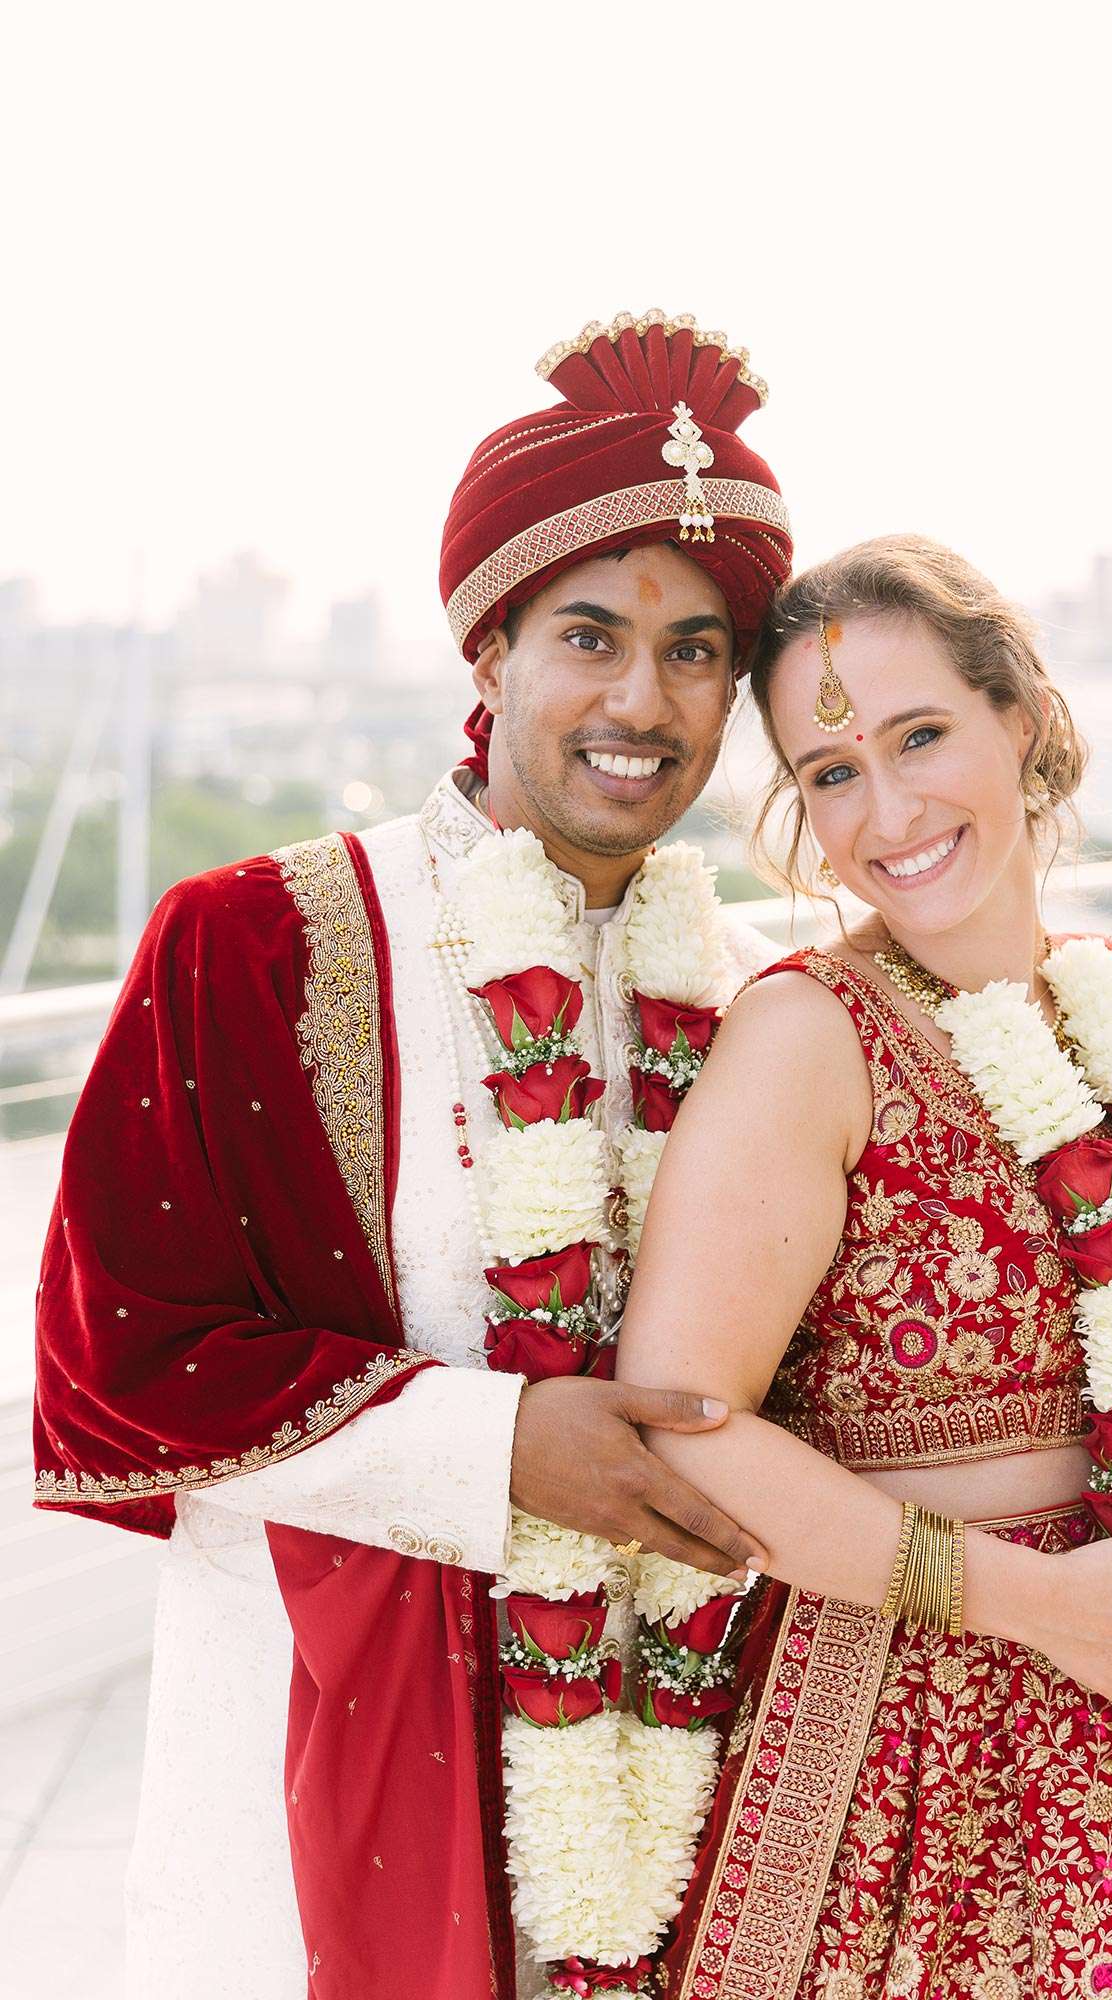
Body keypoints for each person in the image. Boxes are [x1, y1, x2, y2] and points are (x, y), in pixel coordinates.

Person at [31, 311, 792, 2000]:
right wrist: (500, 1443)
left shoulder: (755, 996)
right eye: (588, 634)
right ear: (489, 651)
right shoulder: (265, 941)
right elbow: (114, 1370)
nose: (638, 701)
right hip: (329, 1727)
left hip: (692, 1750)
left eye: (694, 654)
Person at [616, 535, 1112, 1998]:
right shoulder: (807, 1036)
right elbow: (679, 1422)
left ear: (1024, 719)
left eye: (919, 735)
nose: (885, 811)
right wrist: (1043, 1606)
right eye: (828, 773)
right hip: (901, 1753)